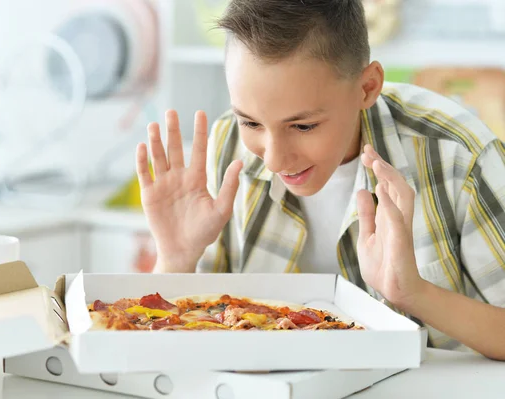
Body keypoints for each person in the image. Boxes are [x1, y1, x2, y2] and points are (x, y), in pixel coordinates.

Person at [134, 0, 505, 360]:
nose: (275, 159)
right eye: (250, 122)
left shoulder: (460, 157)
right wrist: (174, 259)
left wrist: (414, 293)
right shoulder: (227, 145)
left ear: (367, 87)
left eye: (303, 125)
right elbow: (187, 339)